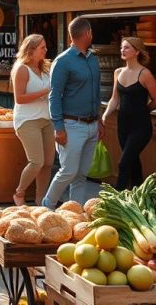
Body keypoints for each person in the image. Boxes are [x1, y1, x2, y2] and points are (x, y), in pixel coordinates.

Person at [43, 17, 103, 208]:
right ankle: (47, 206)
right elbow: (54, 96)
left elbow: (96, 92)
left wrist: (99, 121)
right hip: (71, 126)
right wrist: (58, 127)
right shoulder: (63, 61)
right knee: (68, 171)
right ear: (88, 34)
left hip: (92, 124)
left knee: (81, 175)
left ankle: (74, 212)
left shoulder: (93, 59)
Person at [102, 37, 156, 190]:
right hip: (123, 125)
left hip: (140, 127)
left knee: (123, 163)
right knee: (133, 162)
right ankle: (139, 198)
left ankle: (117, 199)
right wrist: (105, 114)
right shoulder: (118, 72)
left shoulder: (145, 74)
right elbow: (114, 99)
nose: (122, 50)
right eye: (122, 47)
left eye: (127, 47)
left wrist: (143, 111)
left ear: (137, 52)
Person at [11, 35, 54, 206]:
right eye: (42, 47)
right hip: (28, 120)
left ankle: (40, 201)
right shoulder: (22, 69)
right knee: (37, 161)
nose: (45, 50)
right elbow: (19, 98)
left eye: (45, 47)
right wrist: (45, 92)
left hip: (46, 118)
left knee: (48, 163)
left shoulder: (45, 68)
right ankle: (19, 193)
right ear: (31, 50)